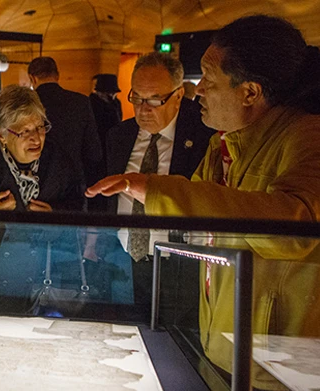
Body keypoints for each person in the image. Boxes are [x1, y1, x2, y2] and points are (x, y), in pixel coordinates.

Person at [87, 15, 320, 389]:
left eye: (209, 81)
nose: (198, 91)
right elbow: (205, 205)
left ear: (249, 93)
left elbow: (297, 228)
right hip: (231, 351)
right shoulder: (227, 144)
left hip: (292, 366)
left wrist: (156, 190)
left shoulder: (318, 138)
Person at [0, 85, 90, 315]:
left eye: (40, 127)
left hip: (45, 286)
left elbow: (78, 206)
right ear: (0, 134)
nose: (36, 138)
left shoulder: (58, 159)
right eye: (23, 131)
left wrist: (55, 217)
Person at [102, 52, 214, 318]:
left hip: (178, 264)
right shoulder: (119, 136)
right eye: (137, 98)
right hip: (121, 259)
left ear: (177, 97)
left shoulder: (203, 137)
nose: (143, 109)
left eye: (154, 99)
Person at [28, 57, 102, 188]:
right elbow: (93, 151)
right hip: (72, 181)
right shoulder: (81, 102)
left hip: (34, 181)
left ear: (32, 78)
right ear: (57, 75)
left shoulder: (25, 104)